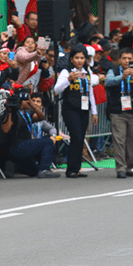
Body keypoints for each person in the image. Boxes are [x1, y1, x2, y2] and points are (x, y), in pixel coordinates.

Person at [0, 89, 60, 178]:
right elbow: (5, 129)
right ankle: (44, 169)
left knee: (34, 171)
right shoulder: (13, 113)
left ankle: (13, 166)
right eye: (27, 100)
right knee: (48, 142)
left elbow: (41, 117)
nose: (30, 101)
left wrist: (33, 105)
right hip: (16, 146)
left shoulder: (27, 114)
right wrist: (9, 111)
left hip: (25, 146)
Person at [54, 47, 99, 178]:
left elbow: (90, 93)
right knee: (76, 137)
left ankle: (77, 168)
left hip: (84, 109)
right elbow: (57, 89)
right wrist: (68, 79)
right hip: (70, 109)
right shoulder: (66, 71)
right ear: (71, 59)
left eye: (82, 58)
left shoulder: (87, 73)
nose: (79, 61)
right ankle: (71, 169)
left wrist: (94, 112)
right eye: (77, 58)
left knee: (81, 139)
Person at [105, 48, 133, 178]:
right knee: (119, 140)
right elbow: (108, 81)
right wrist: (121, 77)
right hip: (118, 111)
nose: (127, 61)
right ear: (119, 60)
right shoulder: (114, 71)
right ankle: (121, 168)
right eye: (124, 58)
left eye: (129, 59)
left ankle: (129, 167)